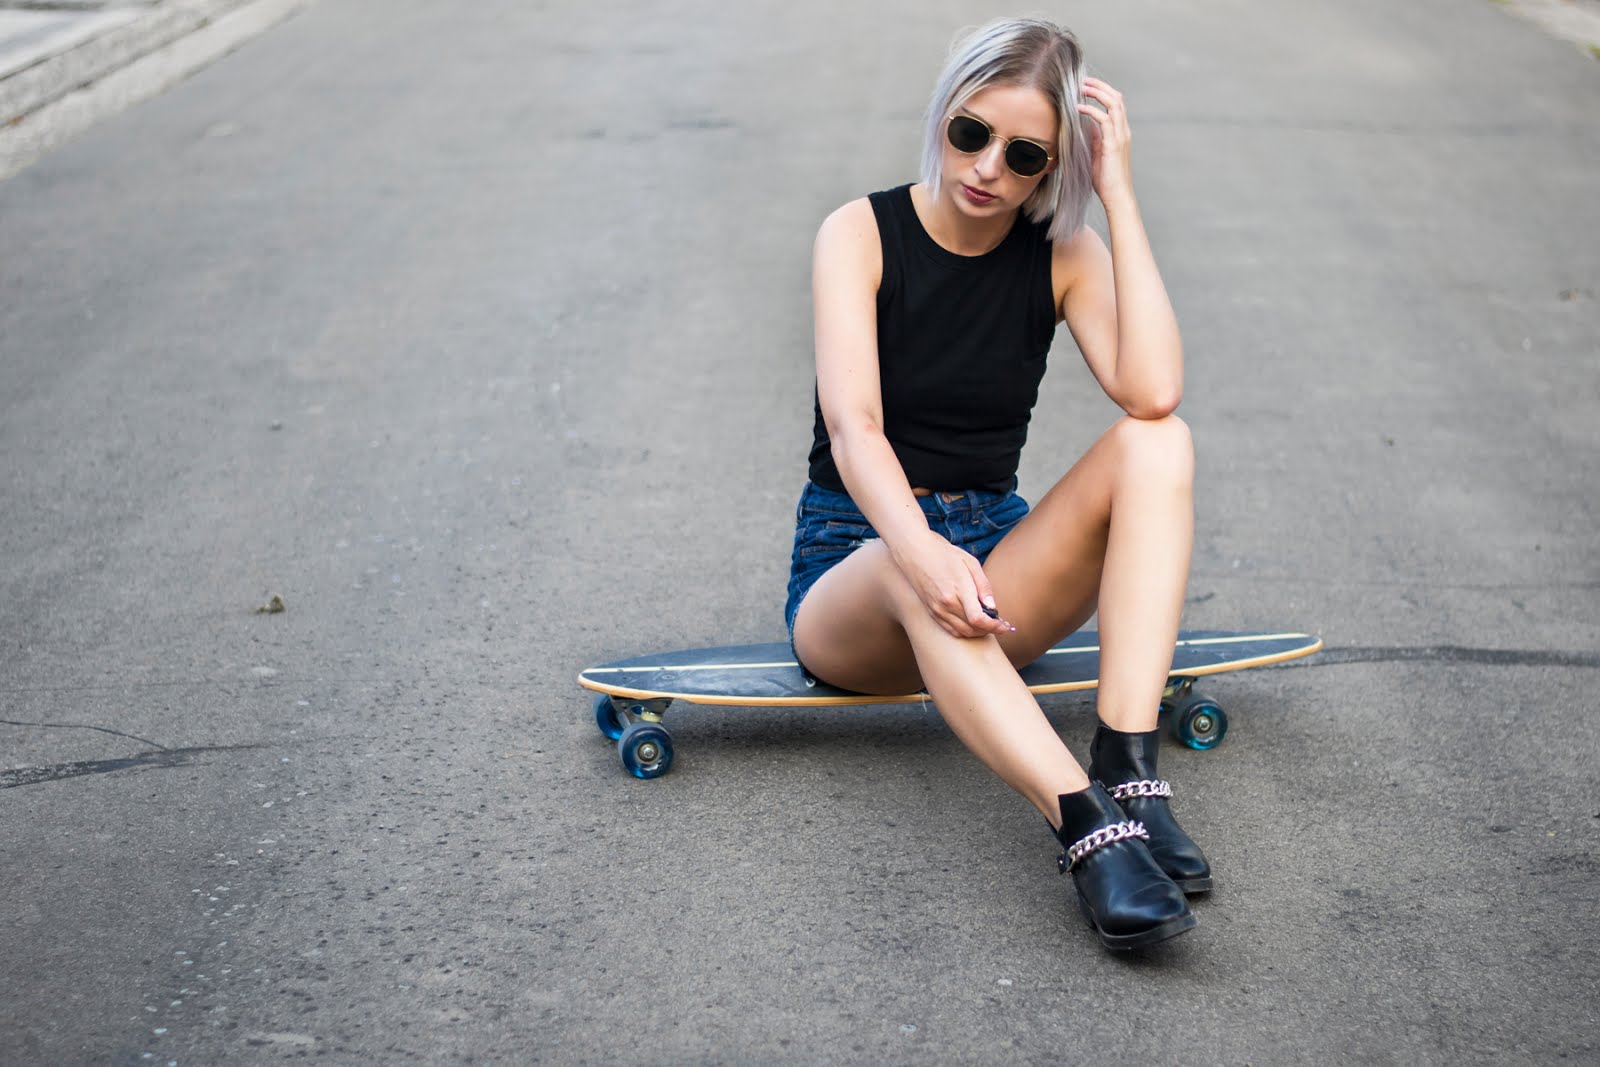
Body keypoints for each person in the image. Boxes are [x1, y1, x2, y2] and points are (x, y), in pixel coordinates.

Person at [786, 17, 1208, 951]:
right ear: (943, 113)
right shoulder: (858, 234)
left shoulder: (1061, 251)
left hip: (996, 564)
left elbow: (1153, 390)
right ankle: (1088, 826)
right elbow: (856, 431)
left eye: (1025, 157)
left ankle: (1130, 768)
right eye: (971, 133)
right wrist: (920, 547)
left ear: (1054, 167)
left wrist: (1119, 199)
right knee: (904, 561)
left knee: (1159, 443)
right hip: (855, 569)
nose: (988, 170)